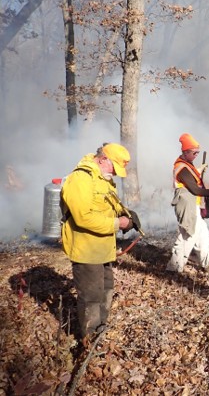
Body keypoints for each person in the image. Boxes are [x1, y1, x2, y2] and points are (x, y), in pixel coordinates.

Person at [61, 142, 140, 339]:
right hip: (87, 248)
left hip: (103, 248)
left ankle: (101, 328)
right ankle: (90, 338)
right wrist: (117, 224)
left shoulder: (103, 178)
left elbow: (106, 205)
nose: (115, 172)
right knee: (91, 297)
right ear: (103, 159)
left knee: (107, 288)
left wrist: (126, 214)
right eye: (114, 166)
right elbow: (83, 217)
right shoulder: (81, 179)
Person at [166, 133, 209, 274]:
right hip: (187, 205)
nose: (196, 155)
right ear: (185, 152)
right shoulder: (182, 167)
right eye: (194, 152)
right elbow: (194, 188)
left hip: (193, 205)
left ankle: (207, 263)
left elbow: (191, 177)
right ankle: (174, 268)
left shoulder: (187, 165)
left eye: (197, 153)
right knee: (187, 235)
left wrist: (199, 170)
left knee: (203, 234)